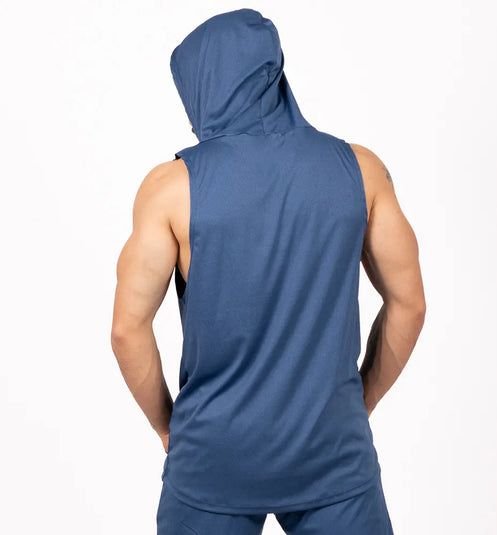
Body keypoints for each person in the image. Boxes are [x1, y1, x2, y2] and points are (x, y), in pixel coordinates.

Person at [111, 8, 425, 535]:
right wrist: (358, 404)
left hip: (213, 457)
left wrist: (170, 429)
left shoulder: (170, 189)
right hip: (333, 452)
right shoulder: (361, 170)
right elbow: (409, 304)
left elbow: (127, 329)